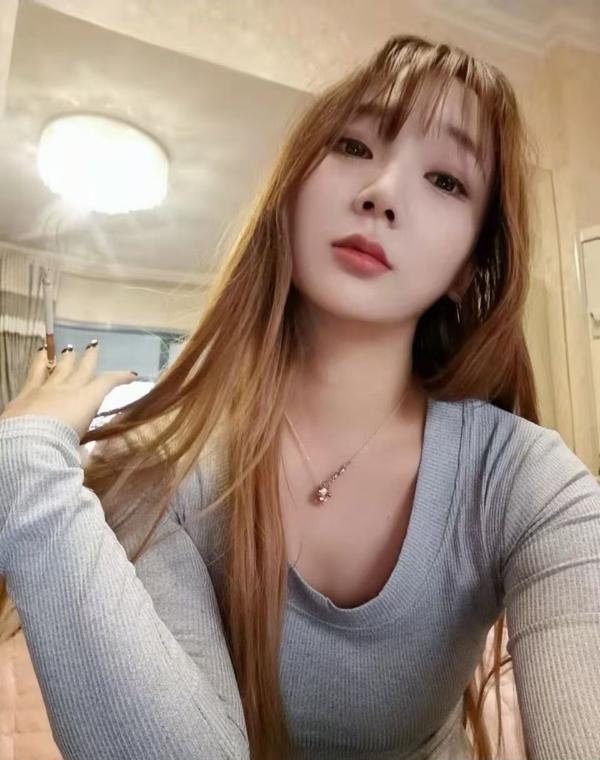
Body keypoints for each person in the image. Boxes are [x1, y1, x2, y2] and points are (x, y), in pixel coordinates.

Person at [0, 33, 599, 760]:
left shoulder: (531, 486)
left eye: (447, 181)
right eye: (353, 145)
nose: (382, 192)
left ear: (468, 270)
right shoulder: (160, 470)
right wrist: (27, 457)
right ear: (291, 194)